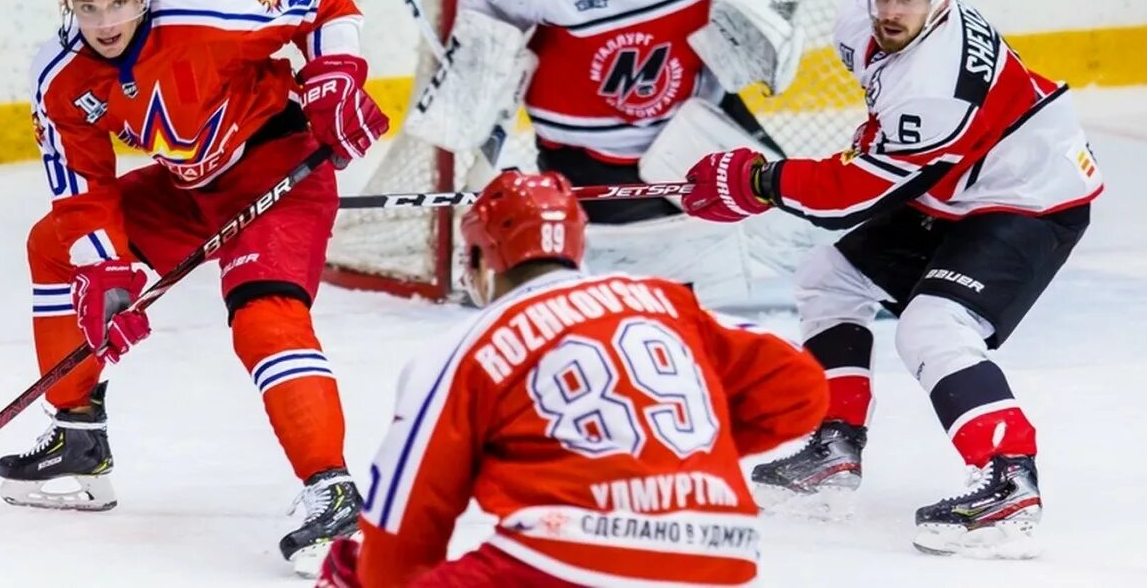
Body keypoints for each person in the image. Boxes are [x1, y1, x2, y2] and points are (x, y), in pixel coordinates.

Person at [681, 0, 1103, 557]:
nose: (890, 9)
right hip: (956, 187)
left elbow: (852, 195)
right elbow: (877, 155)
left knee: (931, 327)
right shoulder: (864, 23)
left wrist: (758, 181)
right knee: (828, 278)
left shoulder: (939, 84)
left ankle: (1009, 479)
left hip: (1030, 198)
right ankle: (836, 447)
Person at [0, 0, 389, 574]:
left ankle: (333, 491)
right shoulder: (60, 73)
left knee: (264, 314)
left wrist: (336, 76)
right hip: (192, 186)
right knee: (55, 245)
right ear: (68, 3)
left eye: (118, 1)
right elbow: (82, 191)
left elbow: (326, 4)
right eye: (88, 7)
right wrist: (106, 268)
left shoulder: (207, 7)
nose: (105, 21)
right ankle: (79, 435)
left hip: (279, 167)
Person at [315, 169, 828, 587]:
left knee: (351, 575)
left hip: (566, 557)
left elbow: (405, 528)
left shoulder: (464, 348)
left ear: (479, 256)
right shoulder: (664, 300)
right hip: (723, 552)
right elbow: (802, 389)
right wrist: (673, 459)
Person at [402, 0, 812, 305]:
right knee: (638, 276)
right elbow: (483, 2)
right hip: (582, 152)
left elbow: (744, 17)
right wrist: (481, 71)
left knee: (795, 214)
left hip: (694, 126)